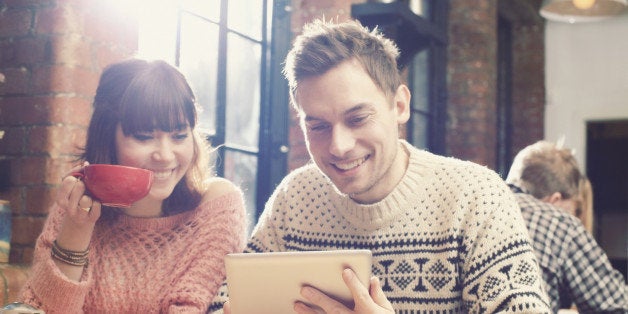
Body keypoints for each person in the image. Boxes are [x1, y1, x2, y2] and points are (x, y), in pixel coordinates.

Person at [210, 19, 550, 313]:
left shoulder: (477, 197)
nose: (339, 146)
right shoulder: (294, 198)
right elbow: (226, 300)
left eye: (357, 118)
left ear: (400, 105)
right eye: (318, 126)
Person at [19, 59, 248, 313]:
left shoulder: (215, 207)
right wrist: (78, 227)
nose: (165, 155)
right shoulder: (74, 206)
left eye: (179, 136)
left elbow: (187, 307)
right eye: (144, 137)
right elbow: (40, 309)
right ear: (107, 138)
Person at [506, 140, 628, 313]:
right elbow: (618, 307)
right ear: (555, 200)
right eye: (575, 209)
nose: (576, 216)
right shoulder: (560, 223)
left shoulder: (474, 207)